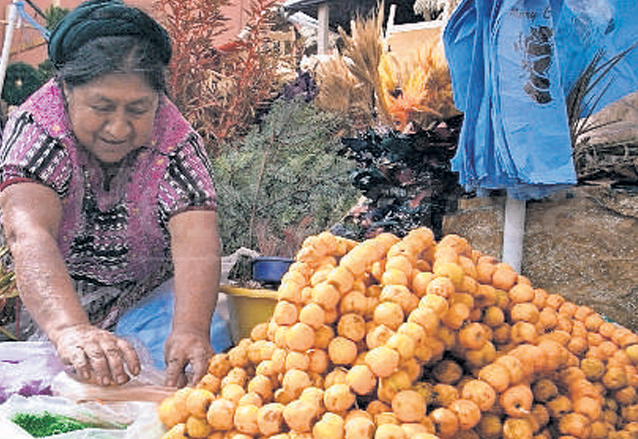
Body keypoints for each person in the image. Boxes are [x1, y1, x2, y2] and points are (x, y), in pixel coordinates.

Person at [0, 0, 231, 388]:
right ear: (66, 89)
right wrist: (71, 329)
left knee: (193, 359)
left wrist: (191, 329)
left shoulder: (176, 144)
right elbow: (29, 234)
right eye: (102, 107)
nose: (118, 128)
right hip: (55, 294)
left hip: (144, 297)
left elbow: (197, 238)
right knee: (56, 384)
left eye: (137, 109)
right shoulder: (38, 130)